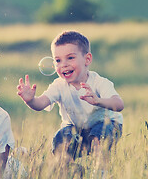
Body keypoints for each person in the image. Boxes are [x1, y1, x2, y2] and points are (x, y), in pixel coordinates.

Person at [17, 31, 124, 165]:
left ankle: (100, 174)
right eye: (58, 60)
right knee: (62, 137)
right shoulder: (58, 85)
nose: (64, 64)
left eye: (70, 58)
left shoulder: (99, 82)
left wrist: (98, 100)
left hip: (107, 124)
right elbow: (40, 104)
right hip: (76, 128)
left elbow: (119, 104)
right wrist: (30, 100)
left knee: (98, 138)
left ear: (87, 59)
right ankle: (68, 170)